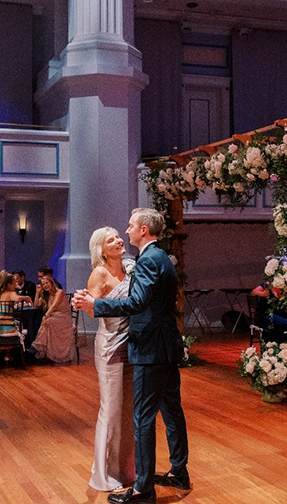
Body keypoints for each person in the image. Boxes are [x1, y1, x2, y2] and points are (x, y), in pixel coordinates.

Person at [73, 207, 190, 504]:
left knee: (142, 418)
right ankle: (178, 472)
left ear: (144, 231)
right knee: (171, 411)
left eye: (129, 227)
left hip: (151, 349)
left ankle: (142, 489)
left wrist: (95, 306)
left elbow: (137, 301)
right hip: (159, 345)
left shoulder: (147, 260)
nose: (126, 232)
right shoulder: (153, 258)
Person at [86, 226, 136, 492]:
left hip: (132, 346)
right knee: (110, 410)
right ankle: (103, 476)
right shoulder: (100, 273)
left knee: (127, 411)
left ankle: (125, 471)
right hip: (110, 346)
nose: (118, 240)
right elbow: (93, 310)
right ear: (101, 250)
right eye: (111, 240)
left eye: (118, 236)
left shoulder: (131, 268)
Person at [31, 275, 76, 363]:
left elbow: (54, 306)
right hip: (53, 317)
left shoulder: (60, 292)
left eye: (47, 283)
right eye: (43, 284)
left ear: (52, 283)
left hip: (64, 318)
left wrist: (45, 316)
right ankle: (37, 348)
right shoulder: (46, 295)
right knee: (47, 322)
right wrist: (37, 293)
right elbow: (35, 305)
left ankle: (36, 347)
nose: (45, 285)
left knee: (47, 321)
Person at [0, 270, 33, 352]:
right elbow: (17, 298)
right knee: (20, 324)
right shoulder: (10, 293)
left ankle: (6, 353)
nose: (16, 285)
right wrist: (26, 297)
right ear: (9, 285)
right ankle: (11, 350)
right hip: (6, 327)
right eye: (14, 283)